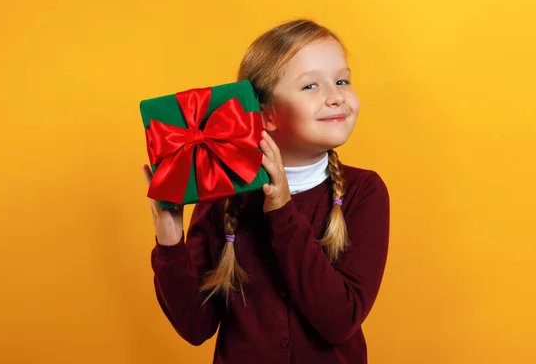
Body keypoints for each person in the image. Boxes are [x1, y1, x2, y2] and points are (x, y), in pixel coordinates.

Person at [141, 19, 390, 364]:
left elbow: (339, 321)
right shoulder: (220, 196)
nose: (335, 97)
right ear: (266, 114)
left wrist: (282, 208)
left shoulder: (364, 192)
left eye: (342, 81)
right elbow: (195, 327)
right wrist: (170, 243)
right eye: (311, 86)